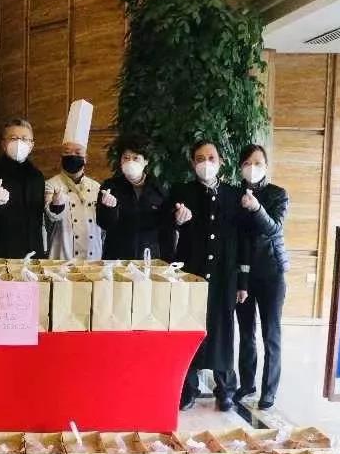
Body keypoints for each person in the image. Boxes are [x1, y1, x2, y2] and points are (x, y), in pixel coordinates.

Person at [172, 140, 249, 412]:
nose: (206, 163)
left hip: (225, 274)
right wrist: (177, 220)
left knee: (223, 330)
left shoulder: (234, 195)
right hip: (191, 272)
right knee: (190, 329)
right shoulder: (182, 192)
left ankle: (225, 388)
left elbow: (243, 239)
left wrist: (242, 281)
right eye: (200, 158)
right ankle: (188, 388)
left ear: (221, 162)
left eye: (211, 157)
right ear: (192, 163)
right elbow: (167, 226)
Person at [235, 144, 289, 410]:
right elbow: (237, 239)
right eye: (247, 163)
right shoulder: (234, 195)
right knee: (246, 333)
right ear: (240, 168)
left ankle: (269, 390)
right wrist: (241, 279)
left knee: (271, 334)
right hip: (244, 274)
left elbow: (274, 228)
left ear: (266, 166)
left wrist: (257, 208)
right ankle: (247, 384)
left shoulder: (278, 194)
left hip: (272, 272)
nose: (252, 168)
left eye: (257, 163)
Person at [0, 118, 45, 259]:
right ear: (3, 144)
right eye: (13, 138)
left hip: (32, 253)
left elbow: (38, 217)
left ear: (31, 145)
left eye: (24, 139)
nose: (19, 143)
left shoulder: (37, 176)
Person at [44, 99, 104, 260]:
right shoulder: (51, 185)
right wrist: (56, 205)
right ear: (61, 156)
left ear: (86, 158)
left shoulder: (96, 187)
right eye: (67, 152)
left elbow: (104, 226)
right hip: (61, 260)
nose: (72, 156)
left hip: (93, 260)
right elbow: (50, 218)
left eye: (78, 153)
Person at [96, 135, 173, 260]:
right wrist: (109, 209)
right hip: (116, 257)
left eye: (136, 158)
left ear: (146, 161)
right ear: (120, 161)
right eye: (126, 158)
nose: (130, 162)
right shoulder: (110, 187)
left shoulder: (159, 188)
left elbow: (166, 227)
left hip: (149, 257)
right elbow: (103, 223)